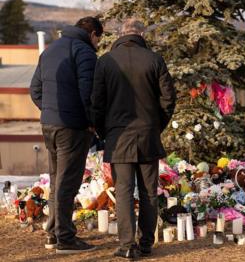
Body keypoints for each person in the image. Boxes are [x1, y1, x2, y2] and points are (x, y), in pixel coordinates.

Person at [91, 19, 176, 259]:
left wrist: (104, 131)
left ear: (120, 35)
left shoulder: (106, 61)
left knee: (124, 191)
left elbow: (97, 102)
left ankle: (127, 245)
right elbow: (168, 99)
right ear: (140, 34)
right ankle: (146, 243)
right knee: (149, 191)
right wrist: (156, 125)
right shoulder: (154, 59)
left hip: (118, 136)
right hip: (148, 133)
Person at [30, 17, 103, 254]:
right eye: (98, 39)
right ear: (92, 33)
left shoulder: (51, 50)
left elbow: (35, 90)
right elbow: (87, 92)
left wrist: (50, 111)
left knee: (56, 180)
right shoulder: (84, 53)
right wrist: (92, 122)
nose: (98, 44)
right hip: (72, 128)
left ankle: (53, 233)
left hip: (49, 125)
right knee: (67, 183)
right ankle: (65, 238)